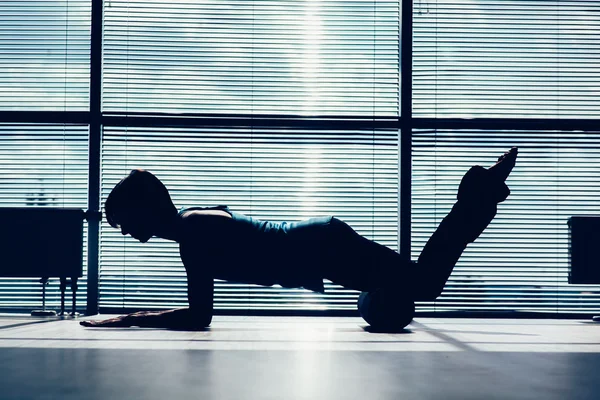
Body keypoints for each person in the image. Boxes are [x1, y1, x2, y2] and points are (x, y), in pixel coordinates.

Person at [81, 147, 518, 331]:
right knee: (417, 284)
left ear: (143, 209)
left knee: (426, 284)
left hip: (322, 249)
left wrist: (130, 318)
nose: (121, 230)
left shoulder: (192, 231)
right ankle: (478, 195)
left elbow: (200, 317)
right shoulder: (192, 222)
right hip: (322, 247)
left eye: (121, 219)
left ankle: (477, 194)